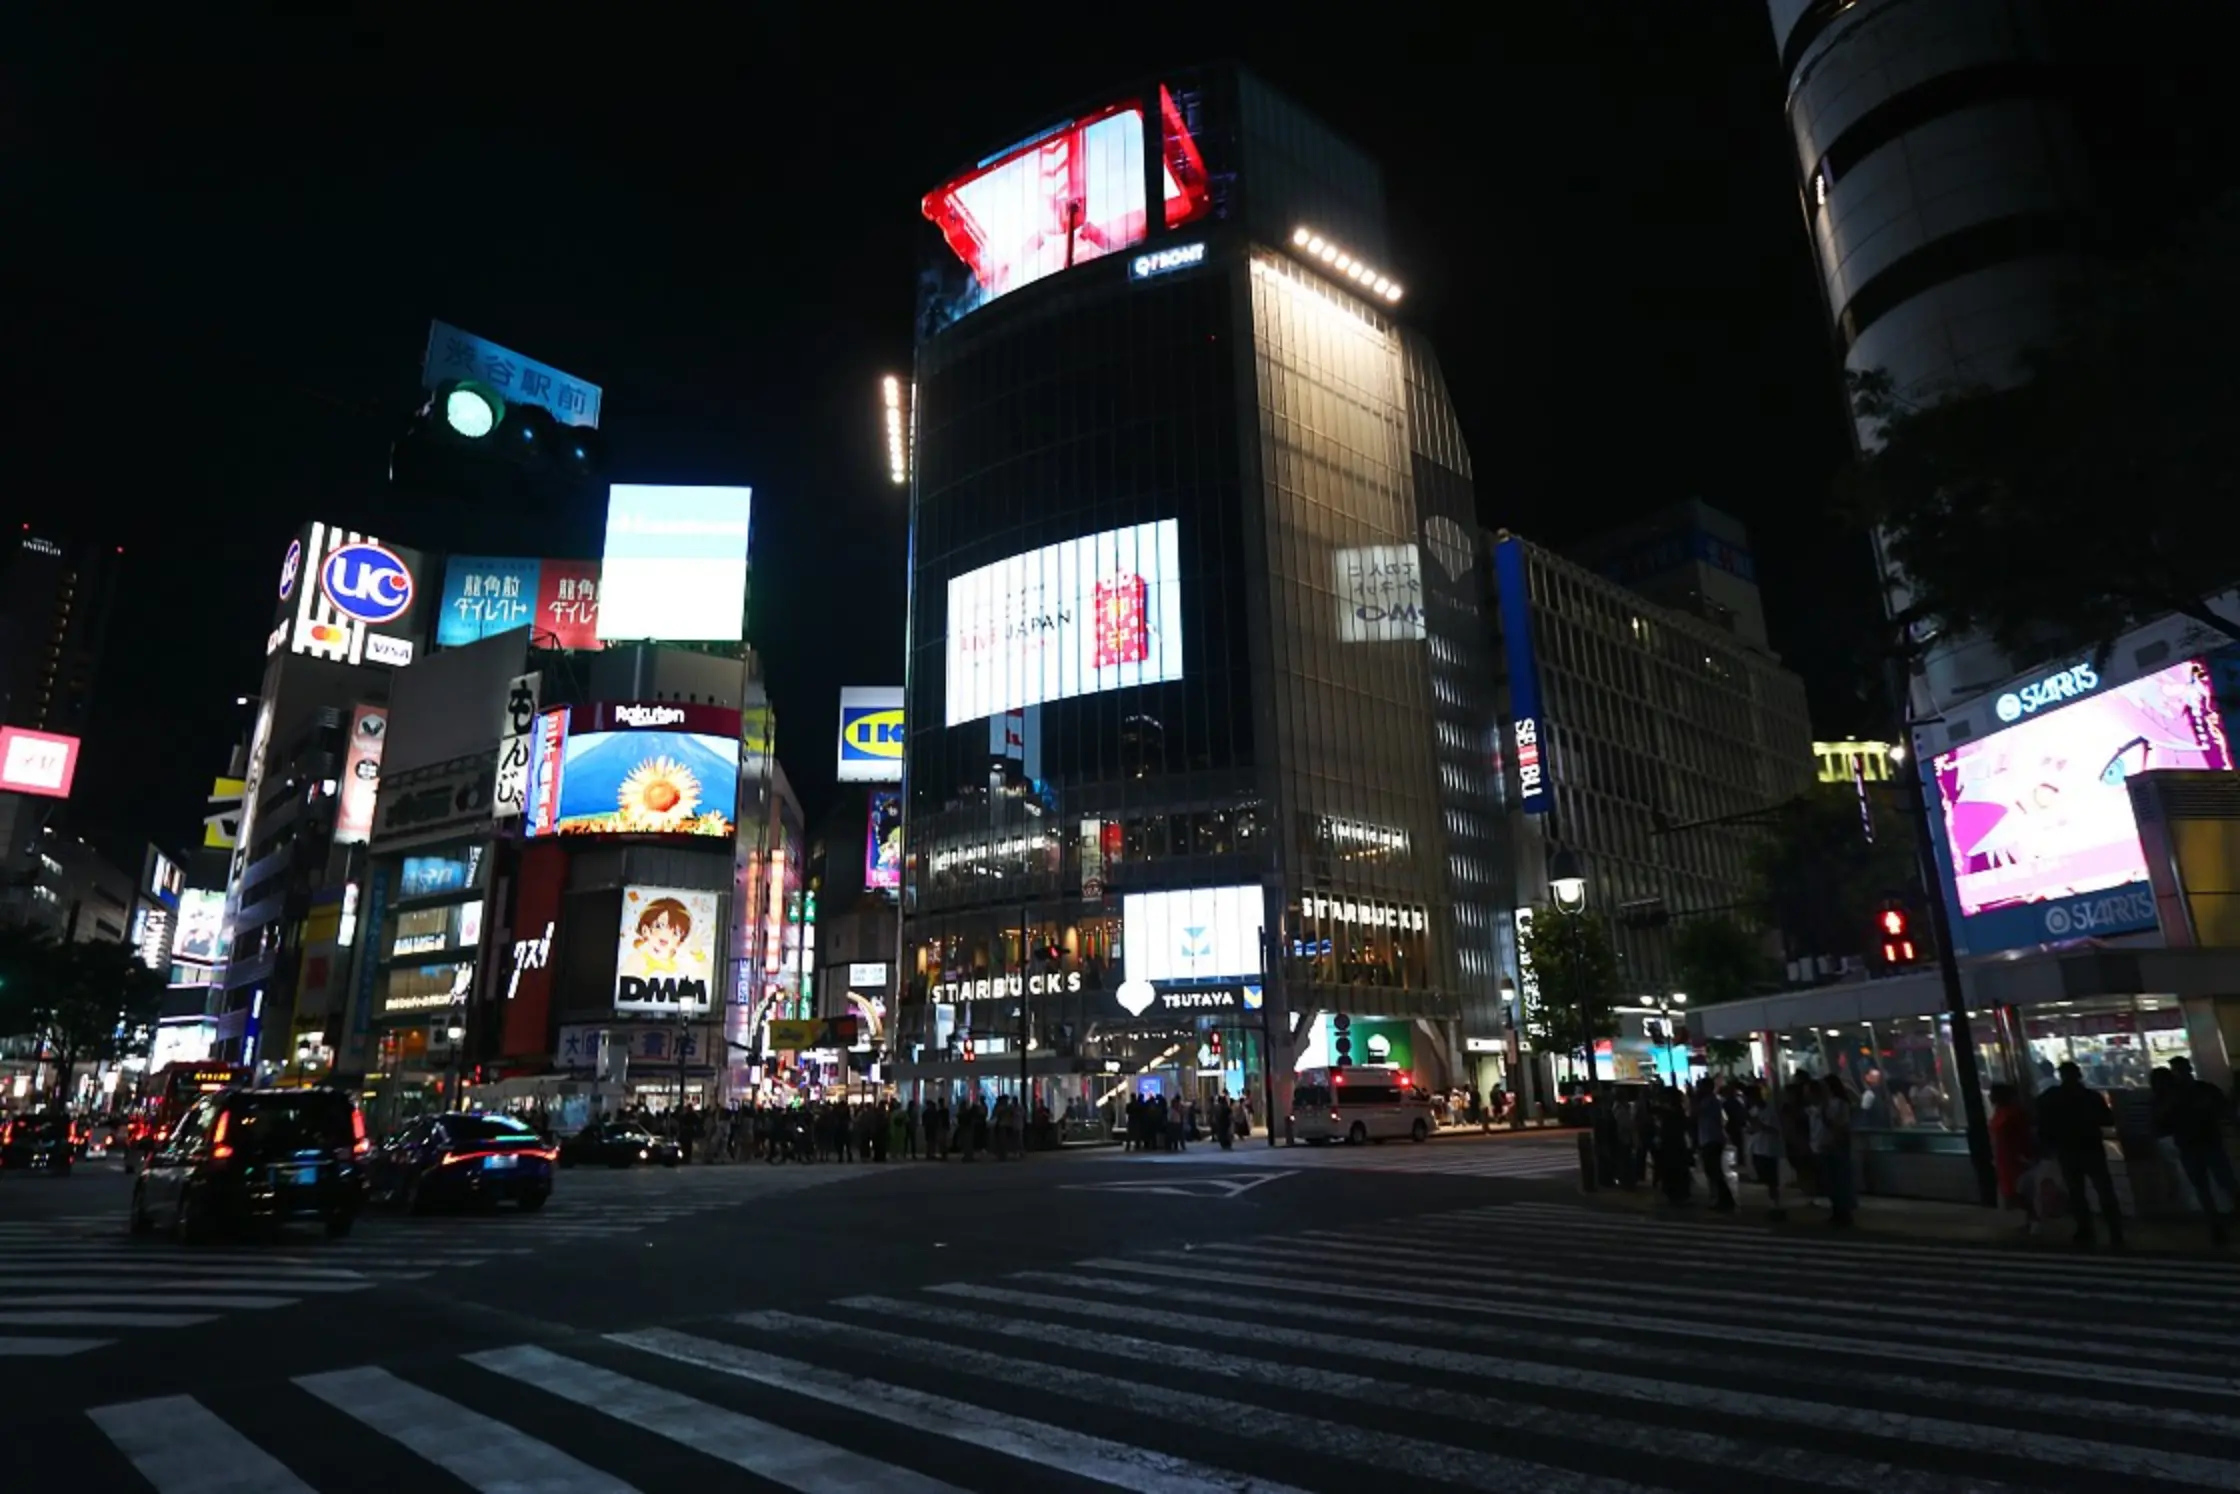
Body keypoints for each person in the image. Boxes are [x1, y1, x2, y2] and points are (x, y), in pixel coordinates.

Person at [2037, 1061, 2124, 1247]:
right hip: (2091, 1147)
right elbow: (2107, 1119)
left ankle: (2084, 1228)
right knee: (2104, 1190)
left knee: (2076, 1191)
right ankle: (2115, 1230)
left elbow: (2041, 1121)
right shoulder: (2091, 1097)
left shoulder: (2051, 1097)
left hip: (2067, 1149)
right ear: (2079, 1075)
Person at [2157, 1057, 2235, 1245]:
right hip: (2207, 1142)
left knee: (2205, 1188)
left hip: (2191, 1144)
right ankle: (2218, 1224)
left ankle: (2216, 1227)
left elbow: (2162, 1121)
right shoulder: (2204, 1090)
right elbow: (2225, 1109)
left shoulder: (2173, 1094)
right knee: (2225, 1184)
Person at [1988, 1081, 2039, 1234]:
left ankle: (2033, 1219)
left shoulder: (2012, 1114)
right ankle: (2029, 1220)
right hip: (2005, 1158)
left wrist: (2027, 1155)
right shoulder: (2002, 1113)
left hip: (2014, 1158)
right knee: (2013, 1191)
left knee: (2019, 1190)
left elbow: (2024, 1137)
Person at [1744, 1082, 1785, 1219]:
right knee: (1764, 1177)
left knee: (1772, 1179)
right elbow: (1751, 1129)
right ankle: (1772, 1203)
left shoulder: (1770, 1110)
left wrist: (1760, 1125)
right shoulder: (1753, 1111)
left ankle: (1776, 1204)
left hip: (1769, 1149)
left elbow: (1775, 1129)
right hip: (1757, 1148)